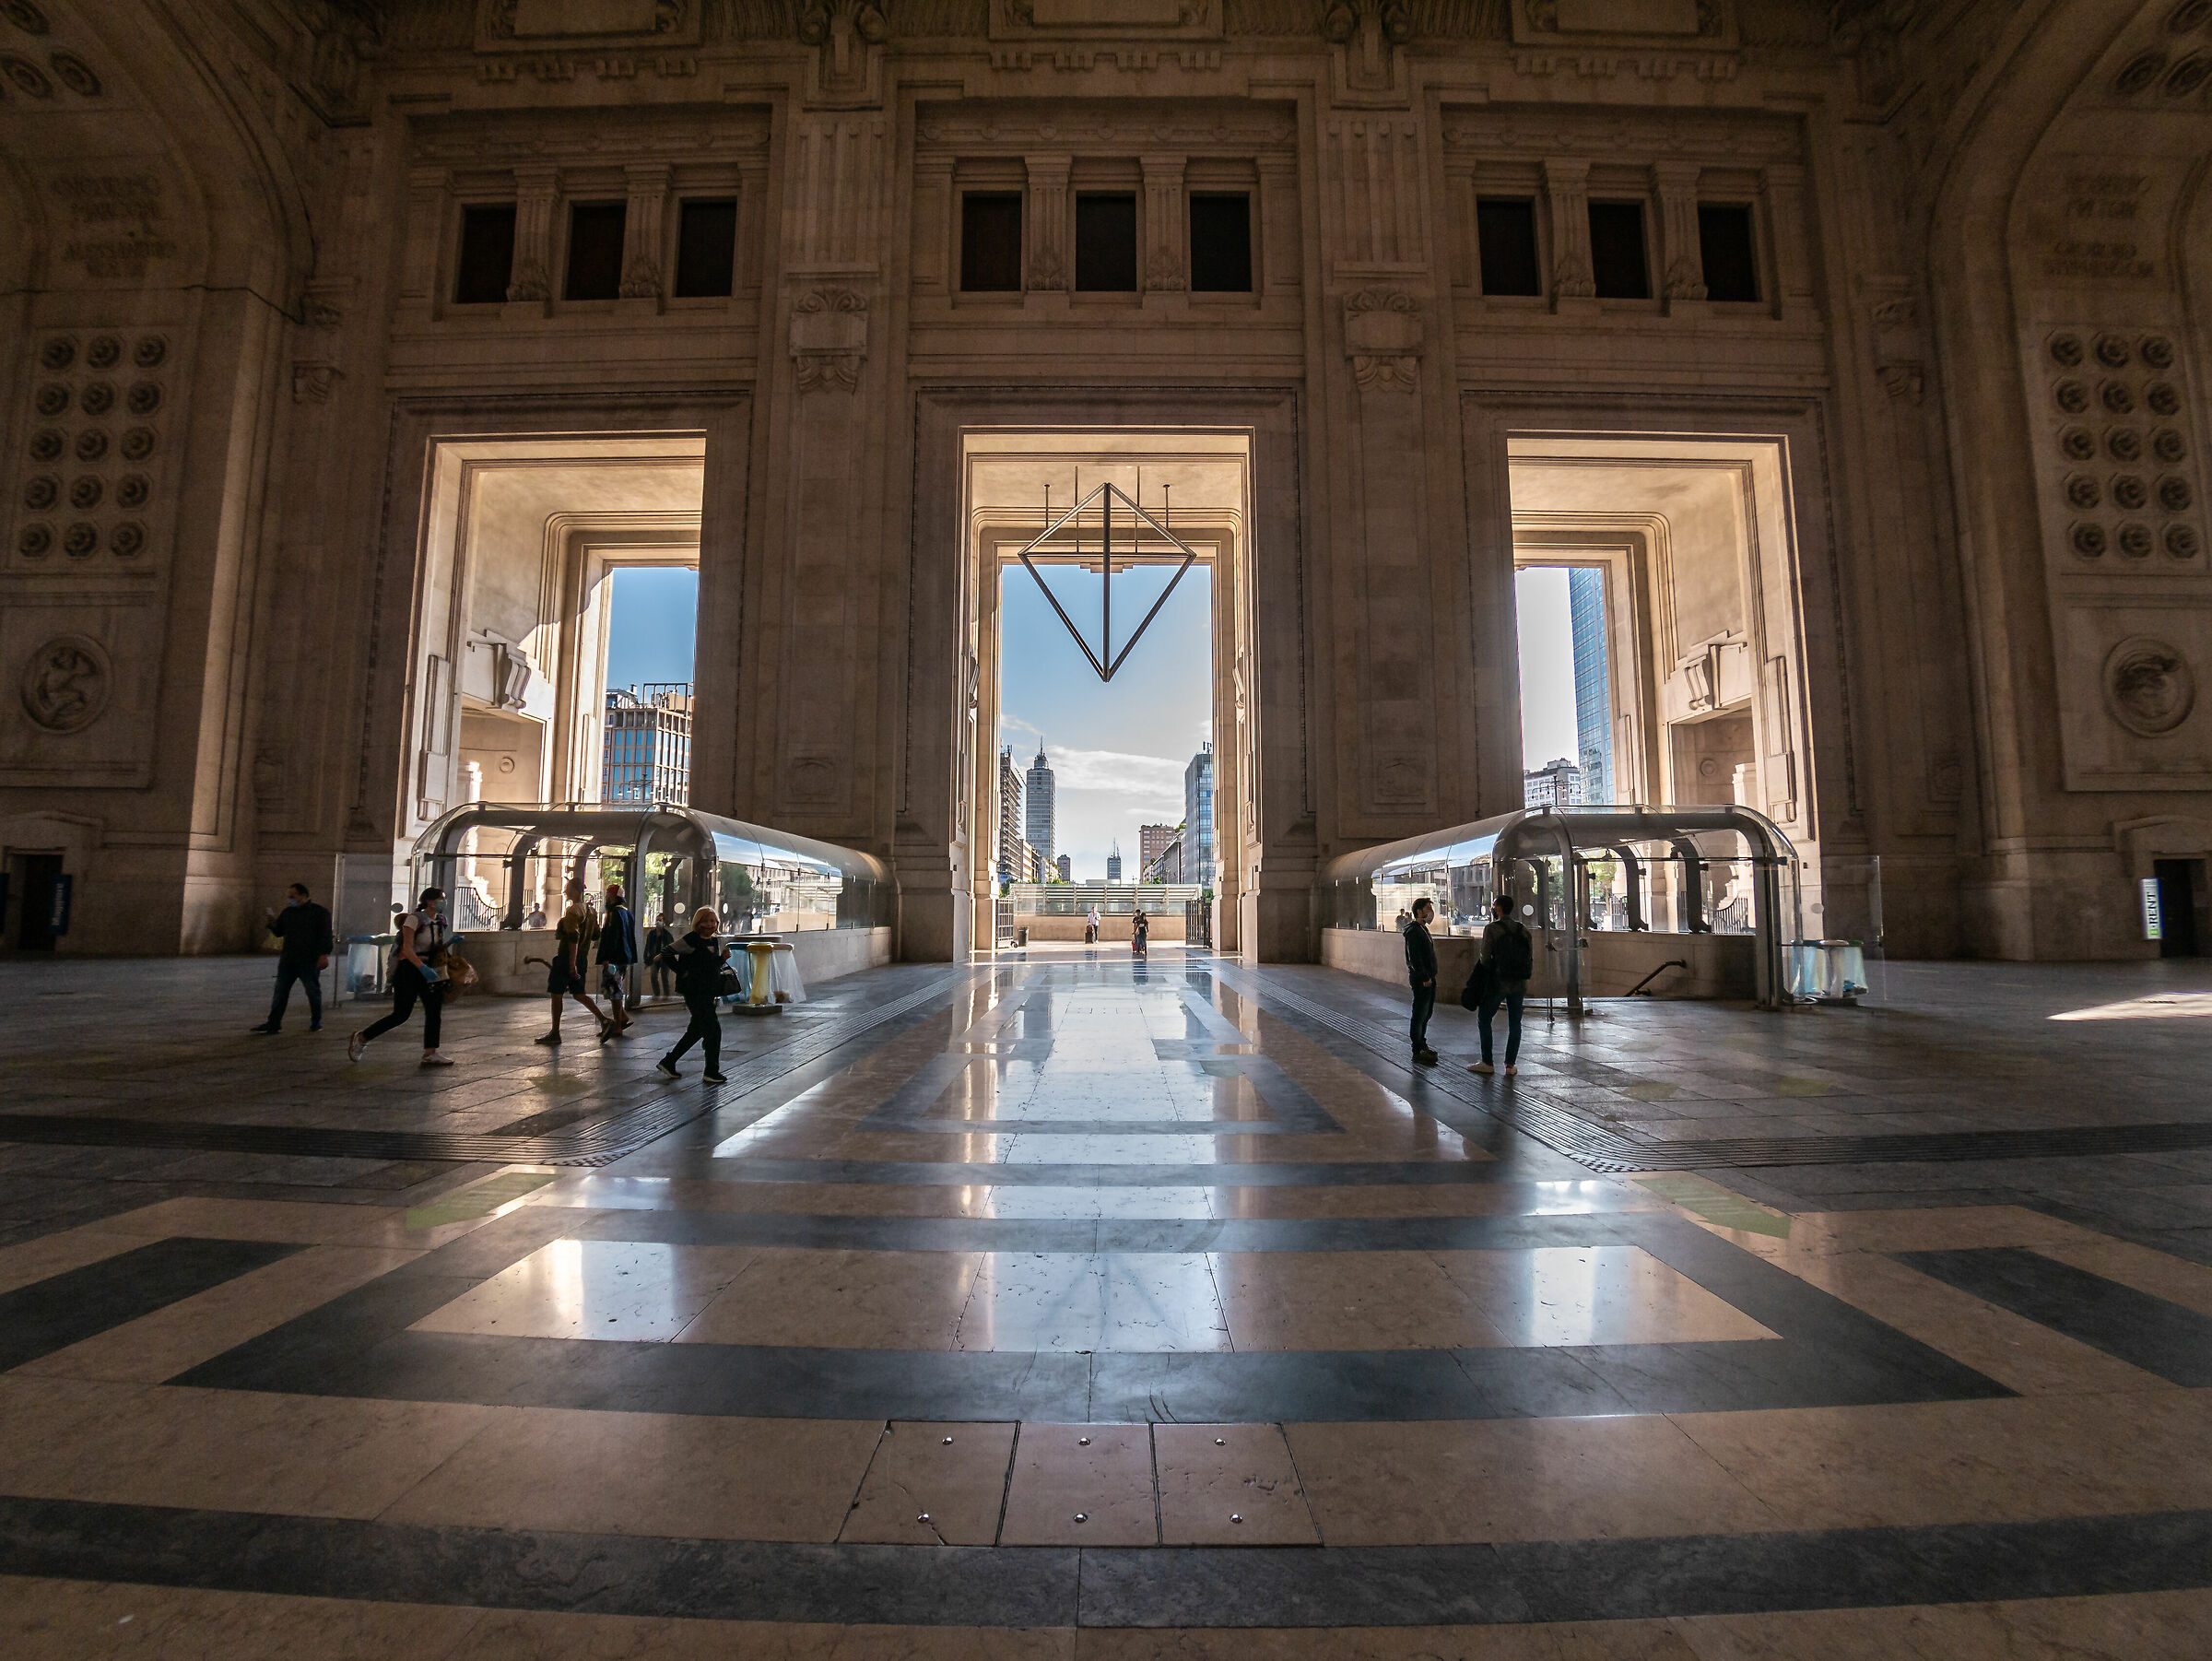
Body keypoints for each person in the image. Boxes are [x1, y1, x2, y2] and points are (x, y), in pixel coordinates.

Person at [349, 887, 453, 1066]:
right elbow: (407, 948)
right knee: (401, 1014)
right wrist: (421, 967)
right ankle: (362, 1037)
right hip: (410, 970)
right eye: (441, 899)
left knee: (434, 1009)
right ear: (430, 902)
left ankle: (430, 1052)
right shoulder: (414, 920)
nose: (444, 902)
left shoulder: (440, 921)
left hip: (429, 968)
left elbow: (434, 948)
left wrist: (450, 943)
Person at [657, 907, 731, 1084]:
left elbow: (710, 966)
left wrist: (722, 959)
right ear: (698, 923)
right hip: (694, 991)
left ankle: (669, 1061)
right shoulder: (691, 940)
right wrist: (683, 972)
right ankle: (711, 1071)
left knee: (697, 1030)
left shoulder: (713, 942)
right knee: (713, 1030)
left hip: (708, 991)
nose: (710, 925)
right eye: (706, 921)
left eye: (713, 921)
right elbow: (667, 953)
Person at [252, 882, 333, 1035]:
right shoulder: (288, 912)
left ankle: (316, 1022)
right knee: (280, 991)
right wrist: (271, 922)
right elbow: (279, 932)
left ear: (303, 896)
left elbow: (325, 935)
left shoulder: (319, 913)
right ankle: (274, 1023)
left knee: (312, 991)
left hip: (309, 959)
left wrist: (323, 954)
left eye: (292, 896)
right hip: (289, 959)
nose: (290, 899)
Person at [539, 880, 612, 1045]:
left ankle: (555, 1032)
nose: (565, 892)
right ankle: (604, 1020)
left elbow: (573, 938)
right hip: (582, 958)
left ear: (575, 890)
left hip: (567, 958)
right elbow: (595, 935)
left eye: (567, 889)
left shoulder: (573, 911)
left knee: (556, 993)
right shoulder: (590, 911)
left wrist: (571, 965)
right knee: (579, 993)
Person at [1472, 894, 1534, 1078]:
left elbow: (1484, 957)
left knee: (1484, 1018)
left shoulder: (1492, 929)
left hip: (1498, 983)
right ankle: (1510, 1065)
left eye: (1493, 905)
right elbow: (1529, 957)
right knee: (1515, 1023)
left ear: (1498, 908)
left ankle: (1487, 1062)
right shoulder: (1523, 930)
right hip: (1519, 983)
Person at [596, 880, 639, 1040]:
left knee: (614, 990)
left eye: (608, 894)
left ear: (613, 896)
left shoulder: (614, 913)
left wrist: (607, 957)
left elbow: (612, 937)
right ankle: (623, 1017)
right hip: (624, 956)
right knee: (615, 986)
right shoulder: (627, 913)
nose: (606, 897)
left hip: (614, 957)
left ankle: (618, 1026)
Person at [1404, 895, 1439, 1066]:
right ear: (1419, 911)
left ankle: (1422, 1043)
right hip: (1421, 979)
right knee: (1419, 1013)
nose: (1431, 912)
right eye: (1428, 909)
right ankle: (1417, 1048)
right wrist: (1424, 976)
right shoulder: (1414, 931)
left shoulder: (1423, 929)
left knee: (1426, 1012)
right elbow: (1415, 958)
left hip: (1429, 977)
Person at [644, 911, 677, 997]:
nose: (658, 922)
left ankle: (666, 995)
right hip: (654, 958)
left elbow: (670, 947)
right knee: (653, 976)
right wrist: (646, 959)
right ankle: (656, 994)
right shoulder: (652, 934)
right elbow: (647, 947)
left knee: (664, 977)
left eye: (660, 920)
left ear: (663, 922)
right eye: (657, 920)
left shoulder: (667, 935)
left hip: (665, 959)